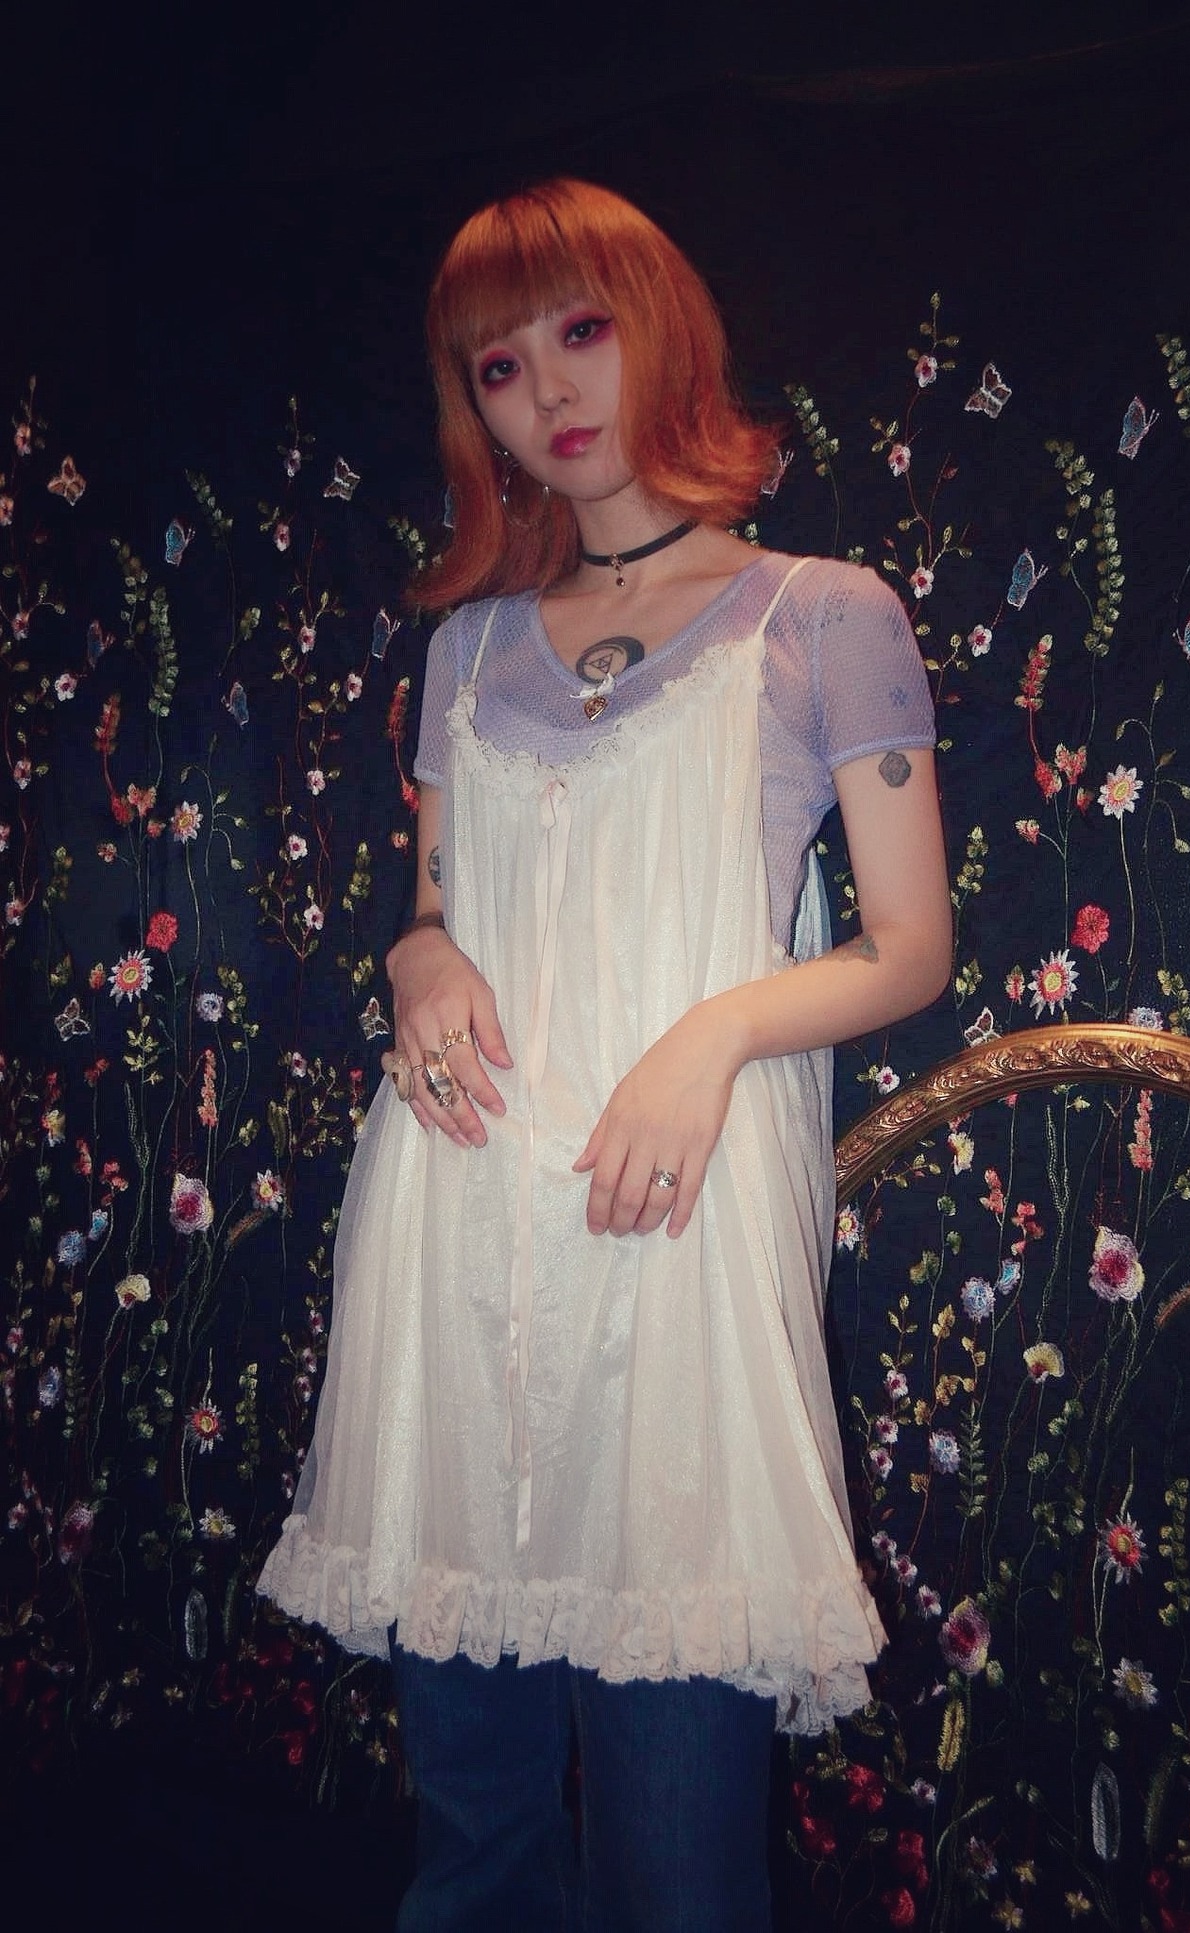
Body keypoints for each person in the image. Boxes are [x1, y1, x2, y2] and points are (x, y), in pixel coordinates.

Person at [258, 176, 952, 1931]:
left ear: (663, 332)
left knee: (676, 1861)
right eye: (498, 365)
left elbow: (912, 946)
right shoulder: (466, 645)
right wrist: (416, 955)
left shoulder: (822, 614)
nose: (549, 389)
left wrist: (711, 1033)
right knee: (474, 1839)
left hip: (671, 1250)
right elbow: (437, 906)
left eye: (580, 330)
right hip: (456, 1240)